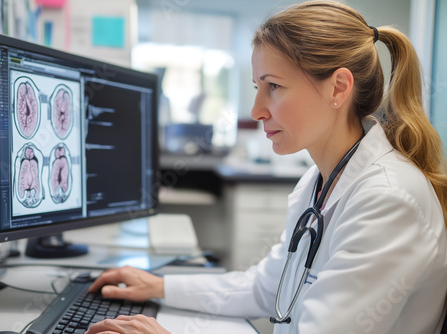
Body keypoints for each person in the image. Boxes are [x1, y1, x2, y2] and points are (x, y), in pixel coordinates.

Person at [85, 1, 447, 333]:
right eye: (258, 85)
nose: (257, 110)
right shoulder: (321, 181)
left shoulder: (390, 200)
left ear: (338, 88)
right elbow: (264, 287)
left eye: (273, 86)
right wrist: (159, 286)